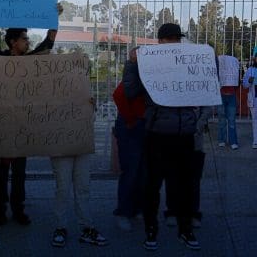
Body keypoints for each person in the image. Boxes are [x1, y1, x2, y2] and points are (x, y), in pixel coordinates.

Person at [0, 0, 62, 225]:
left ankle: (18, 209)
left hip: (22, 127)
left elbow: (48, 44)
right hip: (1, 126)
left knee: (19, 174)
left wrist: (55, 17)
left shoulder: (30, 61)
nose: (28, 42)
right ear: (13, 42)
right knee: (0, 173)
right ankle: (0, 209)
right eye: (25, 38)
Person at [123, 23, 201, 251]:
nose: (175, 42)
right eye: (171, 39)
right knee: (152, 185)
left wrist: (206, 59)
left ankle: (185, 229)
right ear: (160, 42)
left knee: (184, 186)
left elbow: (205, 87)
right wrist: (131, 64)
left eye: (178, 38)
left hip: (184, 133)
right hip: (157, 134)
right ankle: (151, 229)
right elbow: (130, 91)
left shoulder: (188, 62)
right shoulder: (147, 64)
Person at [50, 98, 107, 248]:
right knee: (63, 188)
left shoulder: (83, 88)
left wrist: (91, 108)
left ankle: (87, 227)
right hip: (61, 144)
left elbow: (92, 119)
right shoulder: (52, 89)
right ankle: (60, 227)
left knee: (83, 187)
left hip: (82, 144)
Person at [112, 47, 146, 232]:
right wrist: (131, 120)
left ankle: (136, 209)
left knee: (141, 172)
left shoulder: (142, 75)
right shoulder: (133, 75)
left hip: (140, 127)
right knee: (131, 171)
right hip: (131, 127)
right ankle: (124, 212)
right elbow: (118, 95)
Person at [164, 106, 212, 229]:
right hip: (173, 136)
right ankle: (172, 212)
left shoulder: (200, 87)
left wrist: (199, 126)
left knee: (194, 180)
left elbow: (207, 108)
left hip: (195, 140)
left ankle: (193, 214)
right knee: (172, 177)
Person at [217, 55, 239, 150]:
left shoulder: (235, 69)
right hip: (221, 96)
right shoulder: (218, 69)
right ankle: (222, 140)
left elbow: (238, 83)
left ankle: (233, 141)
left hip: (231, 96)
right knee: (222, 120)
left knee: (232, 120)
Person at [242, 54, 257, 149]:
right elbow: (244, 85)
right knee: (255, 120)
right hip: (254, 99)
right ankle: (256, 141)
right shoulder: (250, 70)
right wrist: (249, 81)